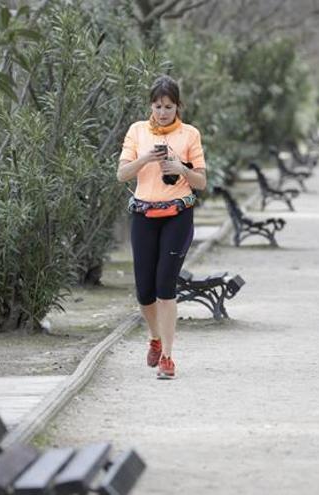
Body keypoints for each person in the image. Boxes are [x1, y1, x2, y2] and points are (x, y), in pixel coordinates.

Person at [117, 75, 207, 379]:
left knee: (165, 286)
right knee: (145, 290)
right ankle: (154, 337)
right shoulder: (137, 131)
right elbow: (121, 175)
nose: (163, 112)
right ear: (150, 106)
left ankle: (168, 356)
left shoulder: (190, 134)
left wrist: (181, 168)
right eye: (157, 106)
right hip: (143, 214)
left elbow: (202, 181)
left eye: (169, 106)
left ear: (178, 106)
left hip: (178, 214)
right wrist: (145, 158)